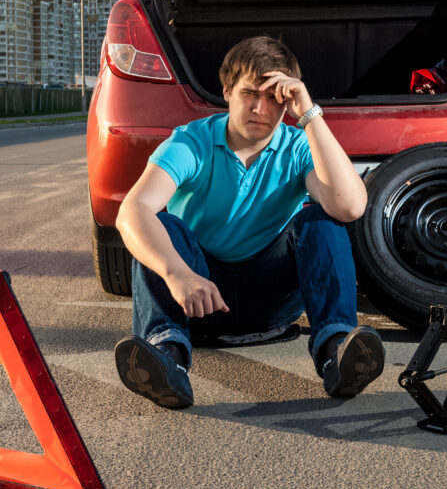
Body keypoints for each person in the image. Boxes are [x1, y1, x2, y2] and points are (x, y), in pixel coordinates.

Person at [113, 36, 385, 409]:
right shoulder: (192, 142)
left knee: (319, 219)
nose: (260, 108)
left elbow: (350, 207)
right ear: (226, 91)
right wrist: (178, 273)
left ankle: (336, 351)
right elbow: (132, 211)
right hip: (200, 298)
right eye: (249, 93)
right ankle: (168, 358)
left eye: (275, 97)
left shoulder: (298, 145)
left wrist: (309, 114)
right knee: (161, 225)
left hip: (270, 300)